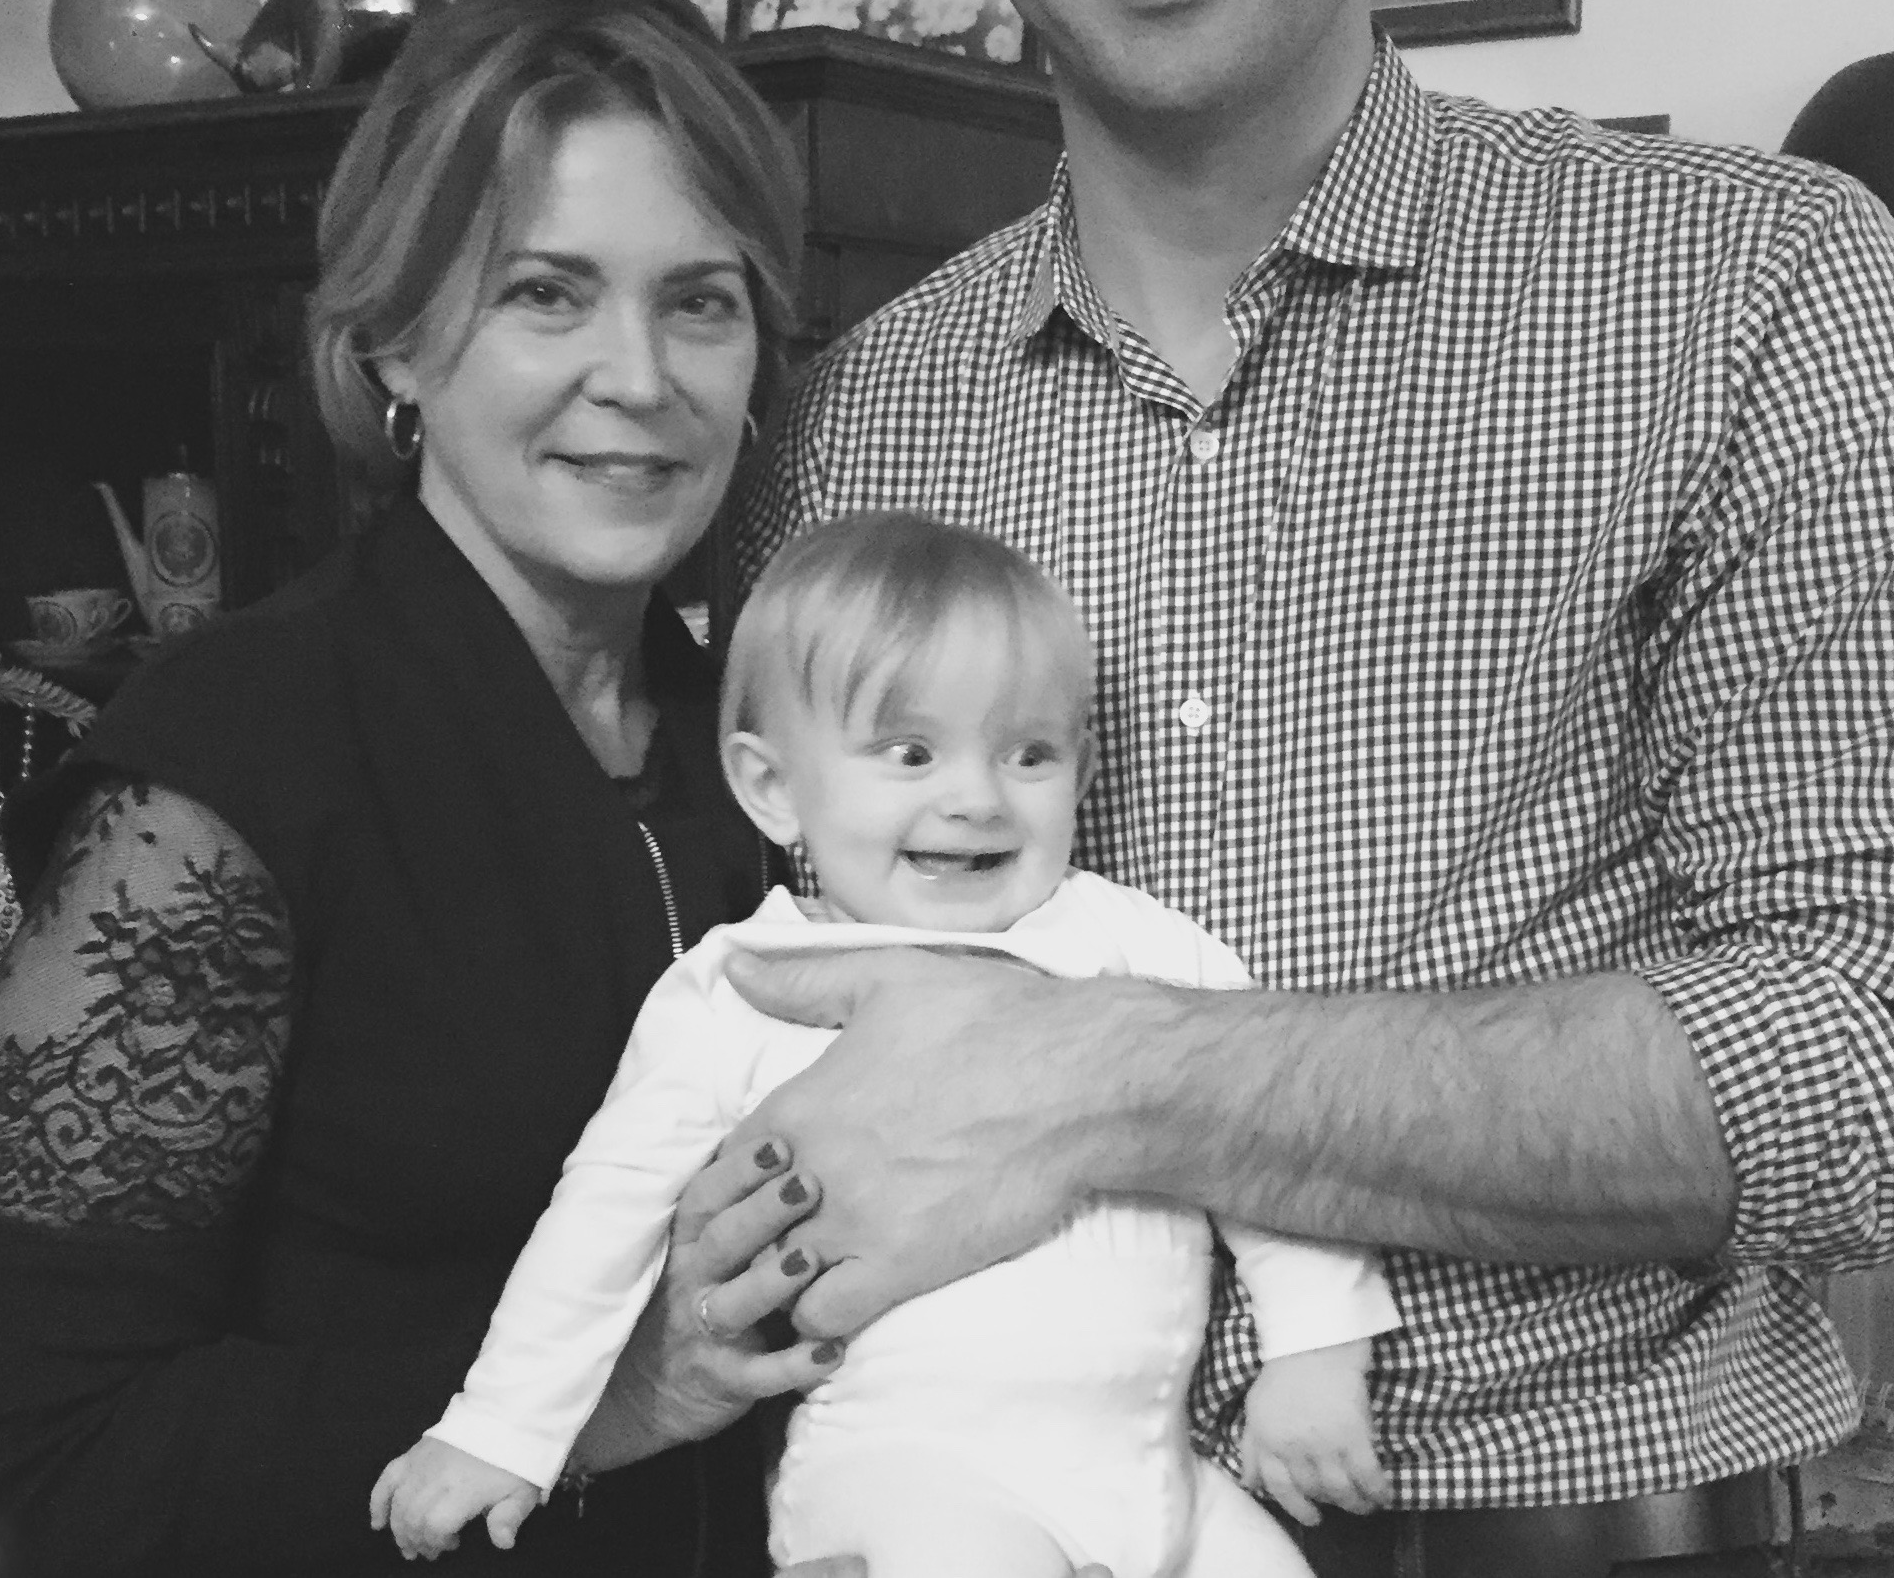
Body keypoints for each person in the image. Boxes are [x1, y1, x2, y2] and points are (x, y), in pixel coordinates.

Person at [725, 0, 1894, 1578]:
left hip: (1585, 1524)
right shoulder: (858, 421)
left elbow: (1888, 1051)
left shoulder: (1749, 284)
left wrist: (1107, 1074)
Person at [0, 0, 839, 1577]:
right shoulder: (230, 762)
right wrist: (587, 1400)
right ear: (396, 340)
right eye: (546, 293)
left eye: (699, 301)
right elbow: (28, 1459)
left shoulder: (755, 744)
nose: (638, 374)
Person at [373, 511, 1400, 1577]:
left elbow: (1266, 1135)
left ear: (1083, 770)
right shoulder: (743, 983)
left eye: (1029, 753)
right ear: (773, 787)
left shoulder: (1137, 942)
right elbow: (605, 1211)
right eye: (910, 752)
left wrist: (1316, 1348)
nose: (975, 797)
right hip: (916, 1477)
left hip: (1155, 1470)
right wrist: (501, 1425)